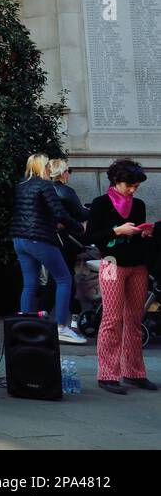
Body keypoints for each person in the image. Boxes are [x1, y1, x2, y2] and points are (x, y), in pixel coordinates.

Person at [86, 159, 154, 394]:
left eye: (136, 186)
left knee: (135, 320)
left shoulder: (139, 205)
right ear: (116, 181)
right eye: (129, 185)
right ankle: (107, 374)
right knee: (112, 319)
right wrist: (117, 230)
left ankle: (134, 372)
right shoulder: (100, 204)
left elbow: (137, 235)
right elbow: (92, 237)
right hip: (112, 262)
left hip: (138, 264)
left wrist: (143, 233)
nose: (133, 190)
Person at [9, 153, 85, 345]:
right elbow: (58, 212)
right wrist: (78, 226)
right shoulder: (45, 185)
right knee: (64, 278)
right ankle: (61, 327)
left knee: (29, 283)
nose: (50, 169)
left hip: (19, 239)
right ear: (43, 167)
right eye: (47, 166)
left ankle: (24, 327)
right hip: (39, 239)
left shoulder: (21, 185)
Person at [45, 158, 90, 321]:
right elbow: (80, 214)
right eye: (68, 171)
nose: (69, 174)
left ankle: (49, 312)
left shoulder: (44, 189)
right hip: (64, 240)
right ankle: (64, 316)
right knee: (64, 277)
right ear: (63, 173)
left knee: (59, 276)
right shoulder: (65, 191)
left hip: (46, 237)